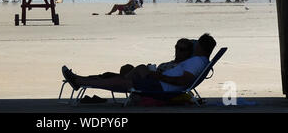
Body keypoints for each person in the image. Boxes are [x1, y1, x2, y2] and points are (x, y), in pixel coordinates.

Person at [61, 33, 216, 94]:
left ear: (200, 47)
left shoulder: (196, 61)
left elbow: (183, 81)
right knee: (130, 72)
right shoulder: (199, 60)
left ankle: (79, 81)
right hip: (161, 83)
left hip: (161, 87)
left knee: (127, 80)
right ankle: (79, 79)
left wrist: (158, 76)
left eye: (197, 45)